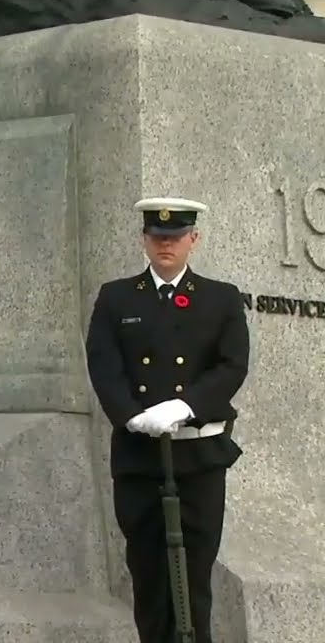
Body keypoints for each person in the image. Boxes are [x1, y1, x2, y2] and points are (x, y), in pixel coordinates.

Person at [84, 197, 250, 643]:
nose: (165, 245)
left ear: (193, 239)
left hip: (198, 456)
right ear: (144, 240)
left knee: (193, 578)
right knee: (149, 577)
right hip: (141, 458)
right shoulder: (117, 297)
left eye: (175, 237)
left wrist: (185, 406)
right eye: (157, 237)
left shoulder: (221, 298)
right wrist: (130, 416)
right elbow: (103, 363)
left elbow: (232, 366)